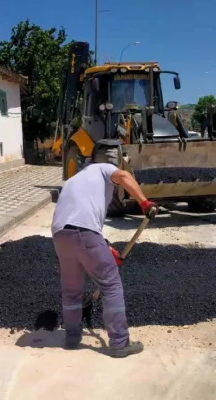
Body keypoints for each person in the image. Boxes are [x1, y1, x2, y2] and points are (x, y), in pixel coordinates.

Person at [51, 144, 158, 358]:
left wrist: (106, 248)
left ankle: (71, 338)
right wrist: (145, 203)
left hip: (60, 234)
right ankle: (119, 342)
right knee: (111, 285)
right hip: (84, 232)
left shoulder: (73, 180)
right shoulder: (104, 168)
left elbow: (78, 223)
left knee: (71, 291)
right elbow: (124, 176)